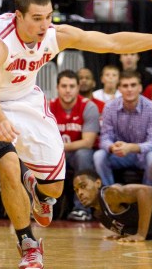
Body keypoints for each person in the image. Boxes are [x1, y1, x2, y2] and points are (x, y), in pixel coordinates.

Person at [0, 0, 152, 269]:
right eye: (38, 18)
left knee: (54, 189)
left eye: (49, 16)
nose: (45, 25)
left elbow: (111, 42)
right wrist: (0, 121)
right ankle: (28, 244)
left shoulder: (55, 35)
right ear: (18, 16)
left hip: (26, 100)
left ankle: (40, 194)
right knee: (8, 165)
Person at [94, 70, 152, 186]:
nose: (129, 89)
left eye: (133, 85)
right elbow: (105, 137)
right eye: (125, 86)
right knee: (99, 156)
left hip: (143, 154)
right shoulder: (109, 107)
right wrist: (112, 147)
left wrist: (131, 147)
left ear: (140, 88)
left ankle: (148, 196)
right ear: (119, 89)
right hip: (119, 154)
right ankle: (110, 195)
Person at [49, 70, 100, 221]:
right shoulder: (48, 106)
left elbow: (88, 142)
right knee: (39, 156)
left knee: (83, 154)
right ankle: (42, 206)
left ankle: (82, 209)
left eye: (72, 86)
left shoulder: (88, 107)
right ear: (57, 87)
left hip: (76, 153)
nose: (68, 90)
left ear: (78, 88)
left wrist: (58, 147)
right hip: (55, 154)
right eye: (64, 86)